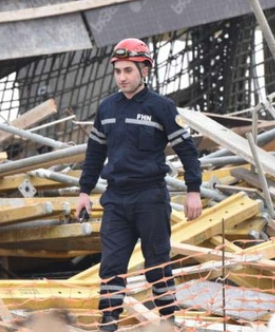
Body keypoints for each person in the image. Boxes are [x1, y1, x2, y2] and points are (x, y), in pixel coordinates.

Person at [76, 38, 203, 331]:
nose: (122, 77)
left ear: (144, 70)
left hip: (150, 199)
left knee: (157, 265)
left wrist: (193, 190)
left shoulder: (162, 107)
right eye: (118, 71)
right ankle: (108, 324)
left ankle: (168, 322)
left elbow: (188, 151)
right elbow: (95, 153)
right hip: (116, 200)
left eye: (128, 71)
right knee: (111, 268)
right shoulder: (107, 108)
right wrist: (84, 191)